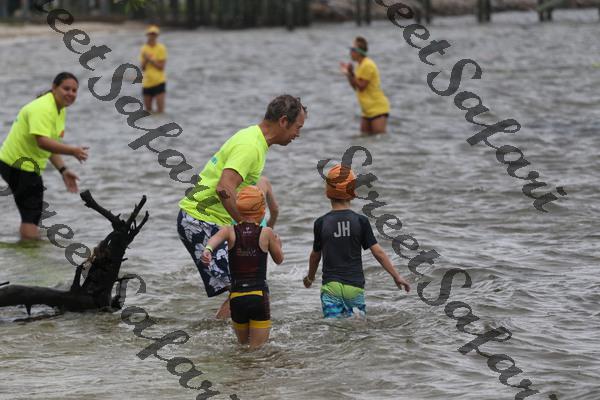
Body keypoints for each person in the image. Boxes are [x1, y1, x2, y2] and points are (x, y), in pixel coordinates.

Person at [177, 95, 306, 318]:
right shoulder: (250, 145)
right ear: (284, 121)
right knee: (244, 287)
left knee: (250, 286)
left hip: (212, 220)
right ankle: (217, 334)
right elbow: (224, 187)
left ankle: (227, 335)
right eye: (298, 127)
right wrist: (249, 229)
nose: (298, 134)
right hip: (199, 220)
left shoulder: (255, 140)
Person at [303, 164, 410, 318]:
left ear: (328, 193)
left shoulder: (321, 223)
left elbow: (315, 256)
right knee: (357, 325)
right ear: (352, 193)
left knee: (333, 326)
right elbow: (378, 253)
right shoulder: (360, 221)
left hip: (331, 286)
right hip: (354, 286)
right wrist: (396, 276)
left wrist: (310, 278)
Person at [0, 72, 88, 241]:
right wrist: (73, 151)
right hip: (18, 165)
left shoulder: (59, 109)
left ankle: (28, 247)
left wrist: (63, 170)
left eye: (74, 90)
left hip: (19, 165)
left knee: (32, 214)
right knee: (31, 215)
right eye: (66, 88)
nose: (70, 93)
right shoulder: (43, 108)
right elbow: (42, 142)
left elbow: (50, 145)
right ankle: (30, 249)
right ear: (54, 88)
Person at [201, 186, 283, 349]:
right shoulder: (266, 233)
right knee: (257, 350)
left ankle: (240, 367)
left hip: (236, 298)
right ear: (262, 210)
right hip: (258, 296)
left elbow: (214, 239)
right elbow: (279, 259)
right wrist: (278, 244)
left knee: (242, 347)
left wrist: (208, 250)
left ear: (238, 208)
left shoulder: (229, 231)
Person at [339, 36, 390, 135]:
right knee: (364, 139)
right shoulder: (360, 65)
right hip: (366, 110)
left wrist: (351, 73)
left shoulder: (368, 65)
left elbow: (362, 86)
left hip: (377, 109)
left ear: (359, 52)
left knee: (379, 139)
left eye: (352, 49)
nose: (350, 52)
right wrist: (348, 74)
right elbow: (355, 87)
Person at [140, 24, 167, 113]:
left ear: (157, 35)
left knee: (160, 112)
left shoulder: (161, 48)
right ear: (147, 35)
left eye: (154, 34)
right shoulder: (144, 48)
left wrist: (151, 60)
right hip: (147, 82)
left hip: (159, 81)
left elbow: (161, 67)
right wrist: (146, 60)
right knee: (148, 112)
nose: (152, 36)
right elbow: (143, 68)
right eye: (151, 34)